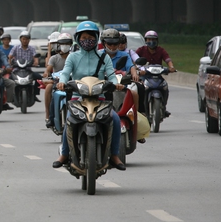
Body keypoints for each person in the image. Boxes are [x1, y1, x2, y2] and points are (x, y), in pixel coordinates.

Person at [53, 21, 126, 171]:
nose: (87, 40)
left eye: (91, 37)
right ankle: (65, 154)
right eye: (84, 37)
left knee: (116, 119)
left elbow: (111, 75)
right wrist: (62, 82)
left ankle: (114, 155)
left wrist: (115, 83)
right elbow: (66, 73)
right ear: (78, 39)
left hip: (99, 98)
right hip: (77, 97)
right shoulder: (73, 57)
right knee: (69, 121)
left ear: (96, 38)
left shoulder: (103, 57)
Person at [135, 30, 176, 116]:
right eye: (149, 39)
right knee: (141, 88)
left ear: (157, 40)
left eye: (153, 39)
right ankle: (141, 108)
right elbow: (135, 60)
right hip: (144, 76)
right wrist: (138, 69)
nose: (151, 42)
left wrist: (171, 67)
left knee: (165, 87)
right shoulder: (141, 50)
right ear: (146, 40)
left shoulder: (161, 50)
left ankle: (163, 106)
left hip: (158, 76)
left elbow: (167, 59)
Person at [42, 32, 73, 127]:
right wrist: (47, 74)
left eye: (67, 44)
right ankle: (50, 117)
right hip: (57, 82)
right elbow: (48, 69)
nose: (64, 46)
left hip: (71, 82)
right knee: (51, 91)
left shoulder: (74, 57)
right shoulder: (54, 58)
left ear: (71, 45)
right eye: (62, 44)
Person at [8, 31, 43, 99]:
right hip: (17, 70)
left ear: (29, 40)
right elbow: (10, 56)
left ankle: (35, 94)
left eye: (26, 39)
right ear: (20, 39)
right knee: (9, 79)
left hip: (28, 70)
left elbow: (35, 57)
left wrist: (36, 62)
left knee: (39, 77)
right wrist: (9, 62)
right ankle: (11, 95)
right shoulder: (16, 47)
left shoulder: (32, 48)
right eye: (23, 39)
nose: (25, 41)